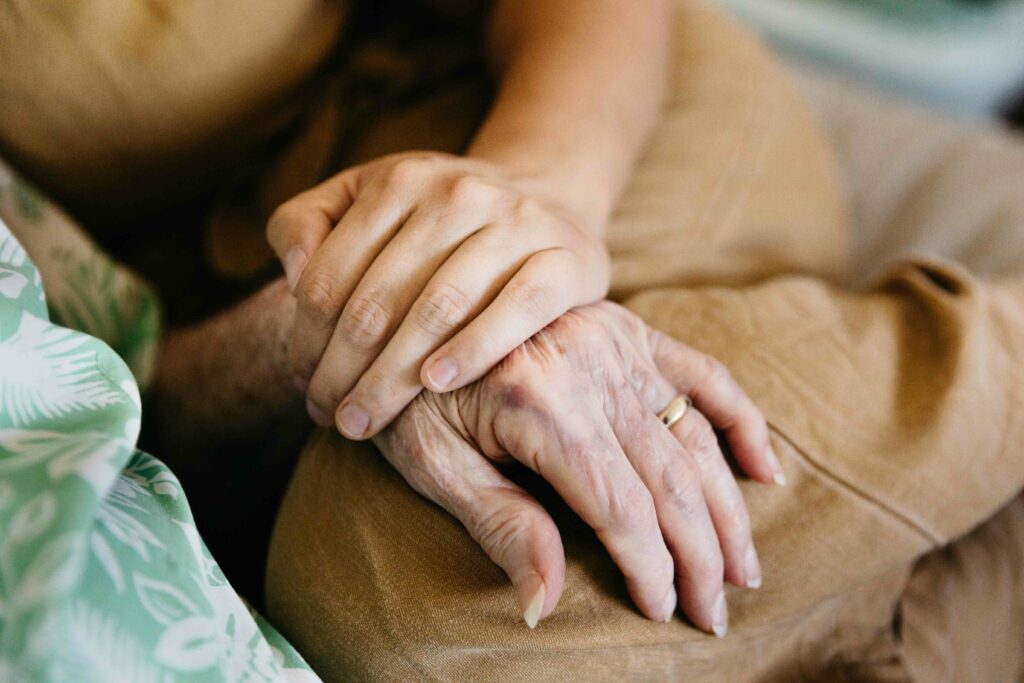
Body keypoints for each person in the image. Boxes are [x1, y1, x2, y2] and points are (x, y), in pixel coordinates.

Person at [1, 1, 1022, 682]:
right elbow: (87, 370)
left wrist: (528, 210)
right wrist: (326, 321)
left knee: (401, 590)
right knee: (412, 597)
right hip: (254, 291)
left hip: (563, 113)